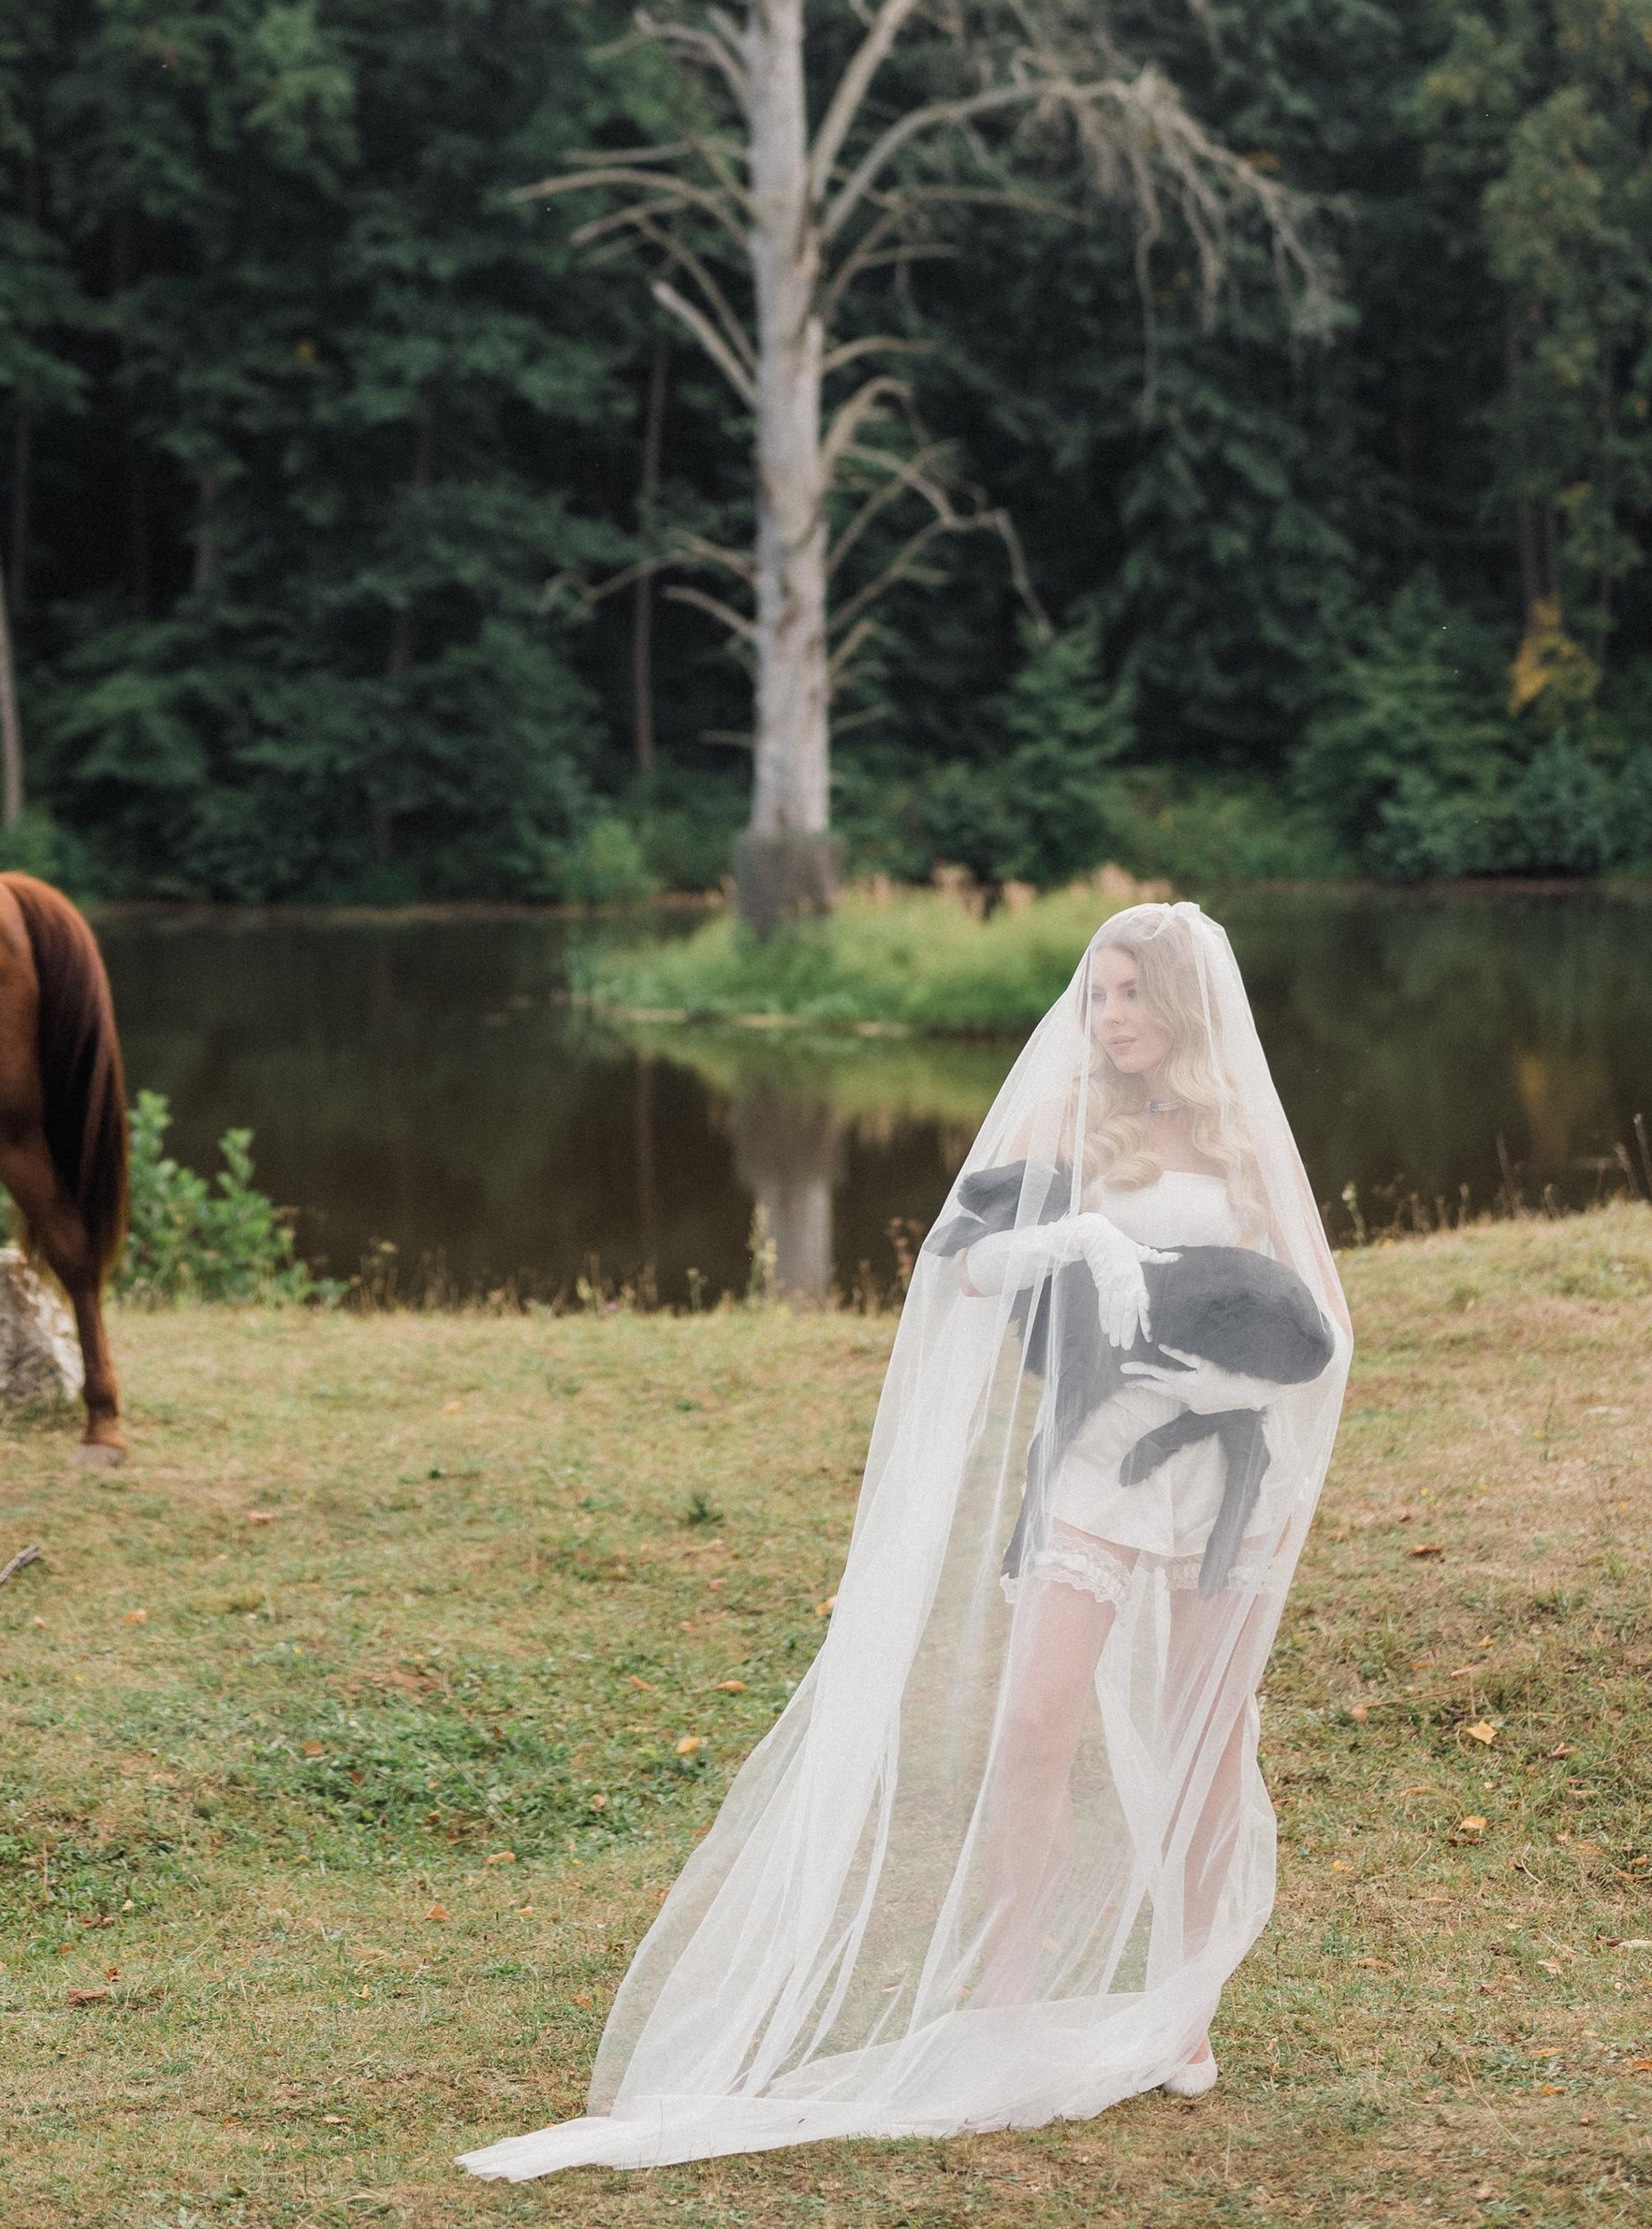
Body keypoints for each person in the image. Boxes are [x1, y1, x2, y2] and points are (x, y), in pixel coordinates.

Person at [462, 902, 1349, 2180]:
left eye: (1131, 998)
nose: (1108, 1020)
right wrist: (1075, 1237)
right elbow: (964, 1263)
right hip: (1095, 1468)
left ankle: (1184, 2014)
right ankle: (1002, 2009)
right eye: (1096, 996)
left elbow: (1312, 1316)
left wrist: (1227, 1386)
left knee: (1206, 1745)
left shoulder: (1240, 1139)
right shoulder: (1066, 1122)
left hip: (1220, 1475)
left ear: (1184, 1008)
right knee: (1036, 1728)